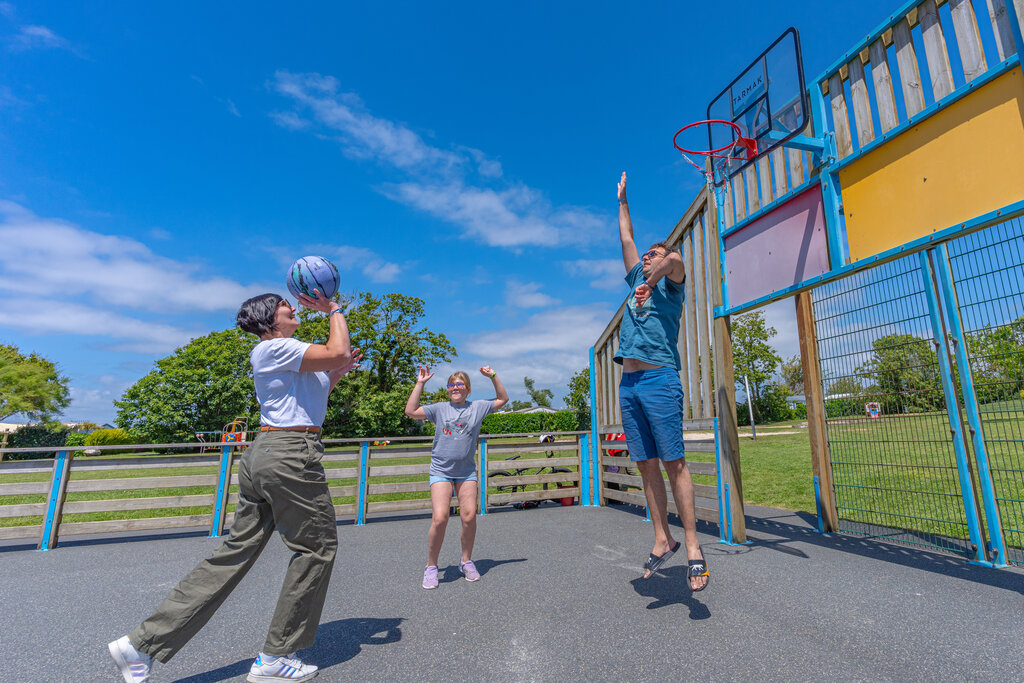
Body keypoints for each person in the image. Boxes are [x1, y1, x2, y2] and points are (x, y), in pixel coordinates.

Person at [108, 290, 361, 682]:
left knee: (234, 551)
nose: (293, 308)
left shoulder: (283, 355)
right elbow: (338, 350)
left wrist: (336, 374)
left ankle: (140, 644)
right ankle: (275, 658)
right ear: (268, 319)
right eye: (284, 305)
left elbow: (313, 393)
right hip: (290, 452)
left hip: (269, 451)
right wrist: (334, 309)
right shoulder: (276, 348)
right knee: (317, 548)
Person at [614, 171, 709, 592]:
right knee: (645, 464)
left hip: (659, 379)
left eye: (653, 254)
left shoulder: (670, 285)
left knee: (674, 463)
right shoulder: (636, 278)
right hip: (629, 385)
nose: (647, 257)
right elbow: (626, 237)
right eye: (646, 256)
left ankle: (691, 544)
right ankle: (662, 537)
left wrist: (652, 282)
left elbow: (675, 260)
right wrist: (622, 201)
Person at [404, 365, 508, 589]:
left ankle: (466, 561)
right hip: (441, 470)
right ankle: (431, 566)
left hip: (466, 472)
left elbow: (503, 399)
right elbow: (410, 411)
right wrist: (420, 383)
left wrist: (493, 376)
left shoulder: (478, 407)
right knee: (440, 518)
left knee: (469, 516)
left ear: (468, 389)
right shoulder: (439, 409)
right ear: (448, 389)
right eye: (451, 384)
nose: (455, 387)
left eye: (460, 384)